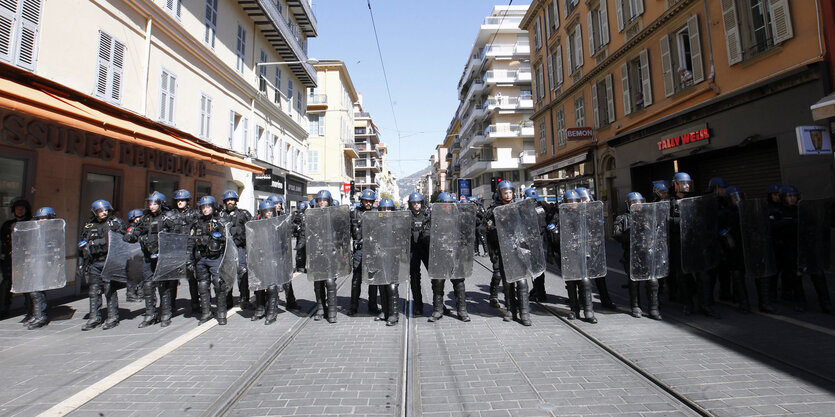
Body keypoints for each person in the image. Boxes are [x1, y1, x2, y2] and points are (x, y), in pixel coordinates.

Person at [485, 180, 531, 326]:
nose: (508, 195)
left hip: (518, 249)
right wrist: (492, 249)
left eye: (510, 192)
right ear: (500, 193)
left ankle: (525, 313)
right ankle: (511, 310)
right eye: (505, 192)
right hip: (503, 249)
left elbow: (529, 226)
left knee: (522, 281)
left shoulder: (519, 207)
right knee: (507, 281)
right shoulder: (493, 210)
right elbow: (485, 230)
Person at [124, 192, 172, 328]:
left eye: (155, 204)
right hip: (148, 256)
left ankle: (165, 314)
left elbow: (176, 236)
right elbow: (135, 233)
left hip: (162, 256)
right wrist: (131, 235)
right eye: (150, 203)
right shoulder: (145, 219)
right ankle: (151, 314)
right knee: (148, 285)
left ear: (161, 204)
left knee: (164, 286)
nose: (151, 206)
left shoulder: (167, 218)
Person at [613, 193, 662, 320]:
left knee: (652, 281)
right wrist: (631, 232)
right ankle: (635, 306)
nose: (637, 205)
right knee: (634, 282)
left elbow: (658, 232)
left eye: (639, 202)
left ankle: (654, 308)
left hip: (647, 253)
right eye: (634, 202)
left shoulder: (649, 216)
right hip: (631, 253)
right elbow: (617, 235)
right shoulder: (623, 218)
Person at [79, 201, 127, 330]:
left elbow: (122, 240)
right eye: (100, 211)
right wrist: (81, 263)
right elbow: (82, 244)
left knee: (109, 289)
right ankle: (94, 317)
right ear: (95, 212)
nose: (104, 213)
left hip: (108, 260)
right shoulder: (89, 225)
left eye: (105, 210)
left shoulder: (115, 223)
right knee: (94, 291)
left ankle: (113, 317)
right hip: (94, 262)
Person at [427, 192, 469, 323]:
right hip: (439, 254)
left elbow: (466, 234)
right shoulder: (432, 218)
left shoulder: (459, 217)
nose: (447, 207)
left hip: (455, 254)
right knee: (438, 283)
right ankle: (438, 310)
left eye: (450, 205)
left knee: (459, 283)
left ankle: (462, 310)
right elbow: (426, 234)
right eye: (444, 205)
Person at [190, 196, 231, 325]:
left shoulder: (220, 222)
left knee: (219, 284)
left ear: (213, 207)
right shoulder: (197, 222)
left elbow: (228, 240)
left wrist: (215, 239)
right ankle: (206, 312)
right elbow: (190, 241)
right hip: (201, 258)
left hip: (215, 257)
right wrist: (189, 260)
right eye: (203, 207)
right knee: (202, 285)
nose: (205, 209)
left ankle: (221, 313)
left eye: (207, 207)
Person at [161, 189, 199, 317]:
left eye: (182, 200)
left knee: (192, 279)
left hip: (190, 250)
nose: (180, 202)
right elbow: (163, 232)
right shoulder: (169, 215)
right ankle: (171, 306)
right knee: (172, 281)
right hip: (175, 250)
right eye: (178, 200)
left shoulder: (195, 214)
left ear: (187, 201)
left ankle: (195, 304)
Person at [348, 189, 379, 316]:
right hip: (359, 250)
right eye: (366, 201)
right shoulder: (354, 213)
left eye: (370, 201)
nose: (368, 203)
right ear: (362, 201)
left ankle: (372, 306)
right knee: (356, 278)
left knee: (373, 278)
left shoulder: (377, 213)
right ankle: (353, 306)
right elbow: (348, 231)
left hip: (372, 251)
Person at [221, 190, 252, 311]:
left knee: (242, 272)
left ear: (236, 201)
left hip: (240, 248)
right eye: (228, 200)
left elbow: (252, 229)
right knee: (226, 275)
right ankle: (227, 300)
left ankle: (244, 299)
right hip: (225, 250)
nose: (230, 202)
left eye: (232, 199)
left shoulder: (243, 214)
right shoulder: (221, 215)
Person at [0, 199, 31, 319]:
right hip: (9, 259)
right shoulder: (7, 225)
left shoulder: (30, 224)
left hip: (24, 260)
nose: (20, 211)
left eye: (22, 209)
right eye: (17, 209)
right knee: (6, 284)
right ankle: (3, 309)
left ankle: (29, 309)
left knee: (26, 284)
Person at [311, 190, 338, 323]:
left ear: (329, 201)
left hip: (330, 252)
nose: (322, 202)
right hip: (316, 252)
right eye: (320, 200)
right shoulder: (312, 215)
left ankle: (332, 311)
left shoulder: (334, 215)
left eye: (325, 200)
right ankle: (321, 308)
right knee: (318, 282)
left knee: (330, 281)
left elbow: (341, 233)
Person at [375, 198, 401, 326]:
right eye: (384, 209)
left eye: (389, 209)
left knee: (392, 286)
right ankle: (385, 311)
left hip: (394, 258)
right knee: (382, 284)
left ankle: (394, 314)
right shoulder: (376, 223)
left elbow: (403, 241)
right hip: (380, 257)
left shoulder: (398, 223)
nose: (386, 211)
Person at [525, 188, 551, 302]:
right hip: (538, 240)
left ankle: (540, 292)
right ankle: (537, 289)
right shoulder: (541, 207)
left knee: (536, 268)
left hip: (533, 241)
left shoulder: (529, 209)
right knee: (536, 268)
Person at [406, 192, 429, 316]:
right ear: (410, 204)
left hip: (425, 249)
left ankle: (438, 304)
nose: (416, 205)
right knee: (415, 278)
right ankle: (418, 305)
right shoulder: (406, 217)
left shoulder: (427, 216)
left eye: (418, 202)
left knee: (436, 277)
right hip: (412, 250)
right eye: (414, 203)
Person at [124, 209, 145, 302]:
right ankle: (131, 294)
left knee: (141, 275)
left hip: (139, 255)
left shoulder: (140, 227)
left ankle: (141, 292)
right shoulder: (132, 228)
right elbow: (128, 238)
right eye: (138, 217)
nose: (141, 219)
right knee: (133, 276)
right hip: (133, 255)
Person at [292, 201, 308, 273]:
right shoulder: (295, 215)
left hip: (307, 235)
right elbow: (292, 224)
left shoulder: (308, 214)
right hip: (300, 235)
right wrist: (296, 228)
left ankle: (302, 266)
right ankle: (299, 266)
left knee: (306, 251)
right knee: (300, 251)